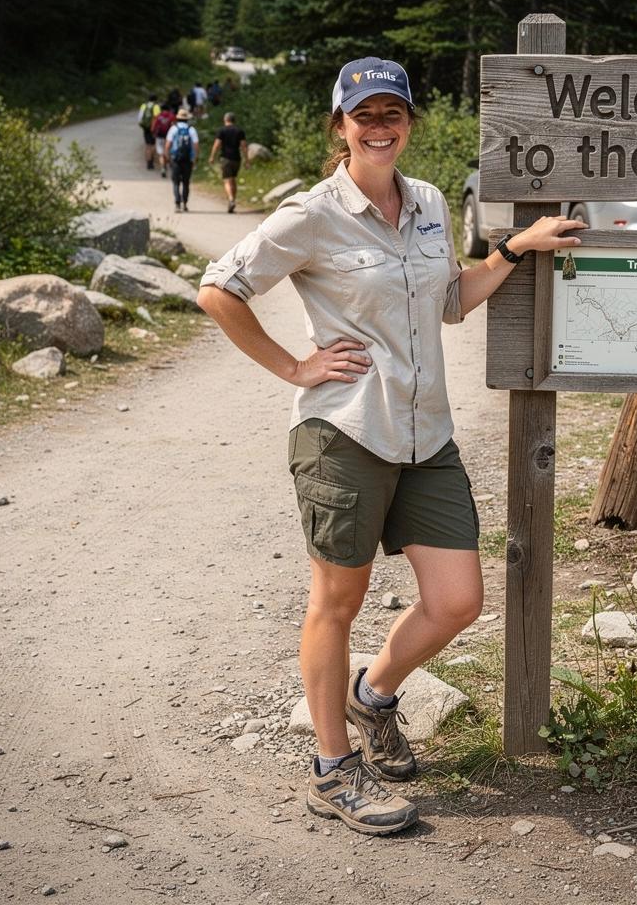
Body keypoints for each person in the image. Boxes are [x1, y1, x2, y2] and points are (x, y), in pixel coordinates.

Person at [195, 56, 586, 835]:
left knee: (457, 600)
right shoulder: (310, 214)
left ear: (409, 123)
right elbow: (218, 289)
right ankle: (332, 772)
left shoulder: (433, 203)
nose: (379, 126)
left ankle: (371, 698)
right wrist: (295, 366)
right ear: (339, 127)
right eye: (363, 115)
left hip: (425, 434)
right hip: (343, 431)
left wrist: (513, 249)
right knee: (337, 603)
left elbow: (449, 301)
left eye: (392, 113)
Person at [208, 112, 248, 213]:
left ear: (225, 120)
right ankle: (233, 200)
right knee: (233, 180)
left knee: (227, 180)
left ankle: (230, 199)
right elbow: (244, 146)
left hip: (226, 158)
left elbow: (217, 144)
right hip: (236, 159)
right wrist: (247, 160)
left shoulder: (222, 130)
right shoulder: (239, 131)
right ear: (234, 120)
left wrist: (212, 156)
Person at [164, 107, 199, 212]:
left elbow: (168, 145)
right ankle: (185, 203)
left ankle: (177, 204)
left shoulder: (173, 129)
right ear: (187, 119)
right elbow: (196, 145)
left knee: (176, 182)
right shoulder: (191, 130)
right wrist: (195, 158)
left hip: (176, 159)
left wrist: (167, 157)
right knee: (186, 182)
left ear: (178, 118)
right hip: (187, 160)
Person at [152, 104, 176, 177]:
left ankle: (163, 168)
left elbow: (153, 127)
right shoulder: (172, 116)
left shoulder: (158, 116)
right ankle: (170, 164)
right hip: (169, 137)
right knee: (168, 151)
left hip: (159, 137)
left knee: (161, 154)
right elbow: (174, 127)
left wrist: (154, 134)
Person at [137, 94, 160, 169]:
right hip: (153, 129)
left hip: (145, 127)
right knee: (153, 145)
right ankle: (151, 162)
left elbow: (140, 117)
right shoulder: (156, 106)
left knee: (147, 145)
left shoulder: (144, 105)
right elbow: (157, 118)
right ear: (155, 99)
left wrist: (142, 125)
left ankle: (148, 162)